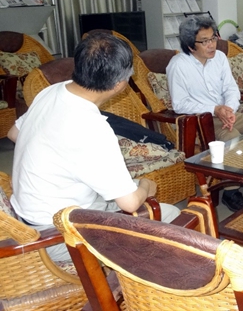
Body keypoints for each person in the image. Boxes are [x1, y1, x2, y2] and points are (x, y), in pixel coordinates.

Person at [8, 32, 180, 262]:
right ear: (119, 84)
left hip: (28, 214)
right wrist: (148, 185)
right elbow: (129, 203)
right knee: (171, 215)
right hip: (57, 235)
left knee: (119, 192)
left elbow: (14, 134)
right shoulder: (93, 128)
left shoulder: (51, 91)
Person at [167, 16, 243, 212]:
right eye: (205, 41)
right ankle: (231, 191)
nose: (212, 44)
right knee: (232, 137)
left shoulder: (219, 58)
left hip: (226, 112)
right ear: (190, 46)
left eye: (213, 38)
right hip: (200, 119)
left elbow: (231, 89)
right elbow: (179, 104)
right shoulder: (178, 65)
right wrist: (215, 109)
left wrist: (228, 109)